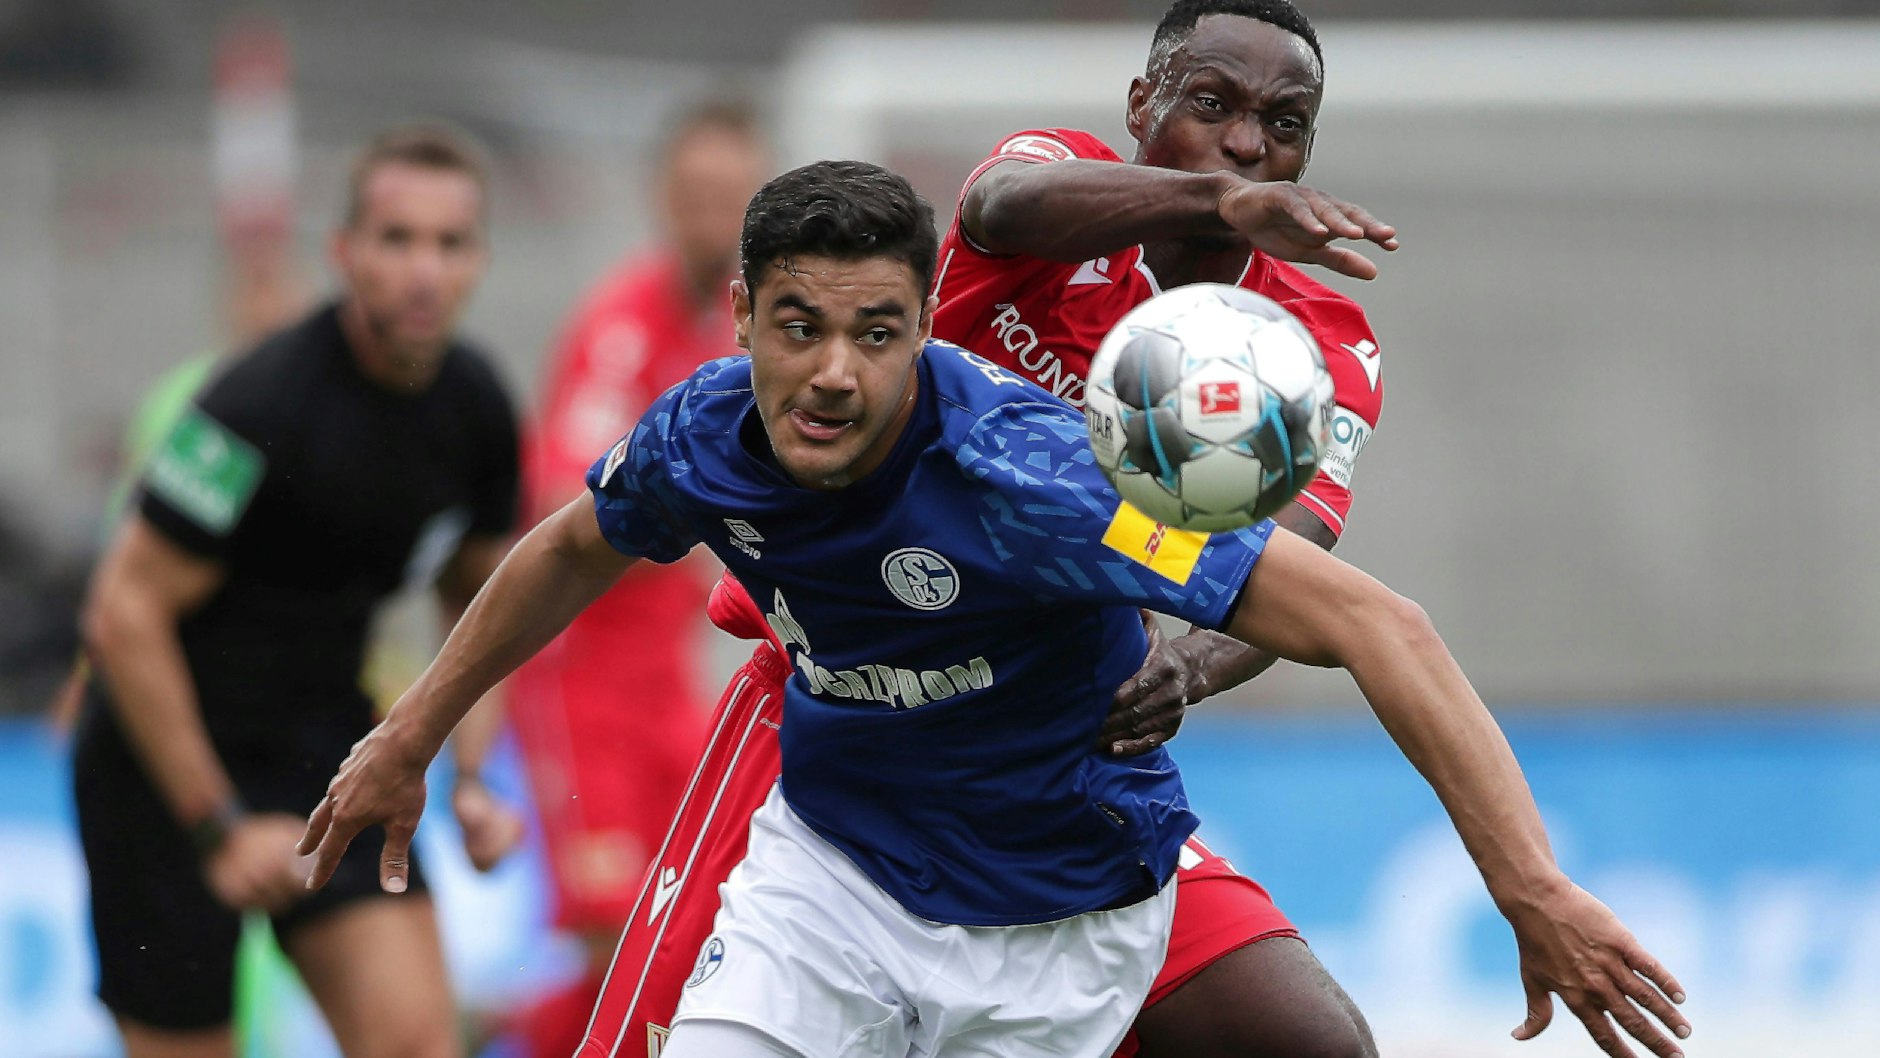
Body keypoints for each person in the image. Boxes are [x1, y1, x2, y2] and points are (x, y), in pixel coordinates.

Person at [301, 159, 1690, 1058]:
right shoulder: (704, 431)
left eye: (879, 332)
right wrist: (411, 735)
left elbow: (1380, 623)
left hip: (1054, 926)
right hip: (828, 883)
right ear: (741, 319)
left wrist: (1531, 884)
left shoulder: (1044, 476)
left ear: (923, 329)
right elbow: (568, 546)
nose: (834, 374)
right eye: (799, 328)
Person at [590, 2, 1407, 1056]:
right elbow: (999, 204)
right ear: (1140, 105)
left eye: (1282, 125)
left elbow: (1294, 557)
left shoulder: (1313, 341)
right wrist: (1221, 199)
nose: (1248, 143)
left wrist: (1190, 666)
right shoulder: (1054, 189)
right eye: (1212, 105)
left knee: (1307, 1039)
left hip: (1044, 748)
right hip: (848, 705)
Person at [73, 125, 524, 1058]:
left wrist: (473, 773)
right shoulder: (256, 406)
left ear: (480, 260)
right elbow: (123, 612)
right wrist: (217, 826)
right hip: (162, 773)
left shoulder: (476, 406)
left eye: (450, 243)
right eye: (397, 239)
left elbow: (483, 594)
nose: (423, 271)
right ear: (345, 251)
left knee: (417, 1046)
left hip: (325, 750)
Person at [505, 100, 771, 1058]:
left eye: (731, 196)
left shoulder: (743, 332)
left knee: (690, 938)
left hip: (671, 685)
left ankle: (497, 1030)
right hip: (584, 681)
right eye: (696, 194)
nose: (713, 217)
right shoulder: (622, 327)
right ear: (663, 199)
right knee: (616, 933)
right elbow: (561, 505)